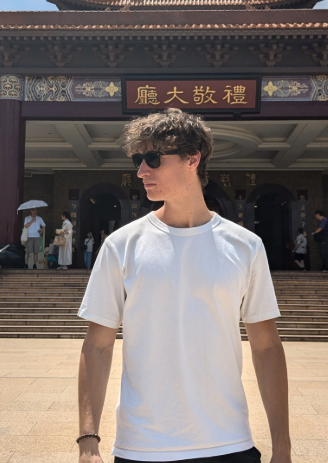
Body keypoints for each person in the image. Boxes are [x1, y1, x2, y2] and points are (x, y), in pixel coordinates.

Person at [77, 108, 290, 463]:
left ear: (193, 158)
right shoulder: (122, 245)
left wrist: (282, 447)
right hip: (141, 448)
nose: (141, 171)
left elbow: (266, 347)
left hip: (229, 444)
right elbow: (97, 346)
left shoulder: (245, 246)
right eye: (137, 160)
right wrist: (88, 442)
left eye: (152, 158)